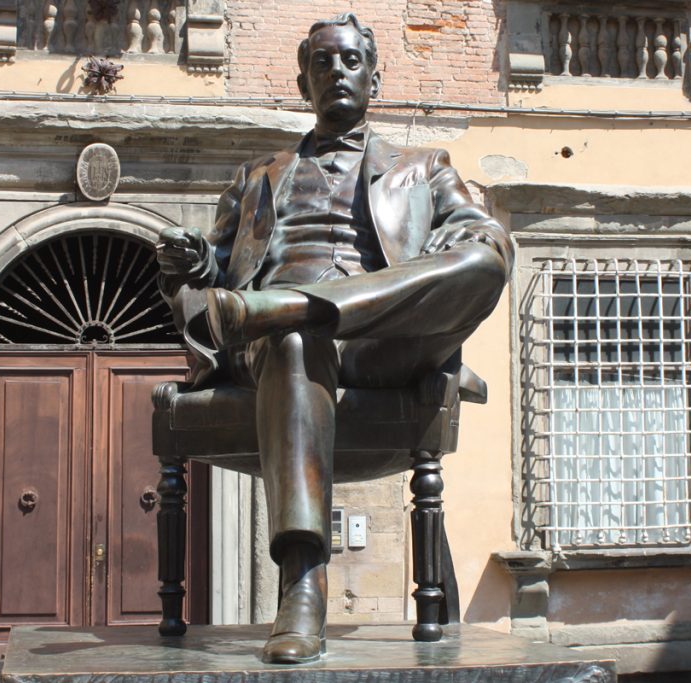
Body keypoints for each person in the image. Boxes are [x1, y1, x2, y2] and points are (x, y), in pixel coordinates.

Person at [155, 13, 513, 664]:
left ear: (375, 77)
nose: (337, 73)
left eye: (350, 61)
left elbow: (479, 242)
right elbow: (210, 272)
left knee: (488, 257)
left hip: (384, 341)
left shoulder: (424, 168)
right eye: (322, 63)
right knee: (294, 340)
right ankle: (302, 588)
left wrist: (438, 257)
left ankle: (287, 307)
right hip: (276, 353)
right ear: (302, 80)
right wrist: (188, 265)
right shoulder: (255, 176)